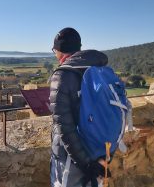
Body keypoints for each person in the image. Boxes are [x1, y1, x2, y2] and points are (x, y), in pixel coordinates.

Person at [49, 27, 110, 187]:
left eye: (54, 50)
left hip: (72, 157)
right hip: (99, 146)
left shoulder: (62, 75)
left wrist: (86, 163)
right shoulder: (100, 69)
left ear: (59, 51)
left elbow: (64, 126)